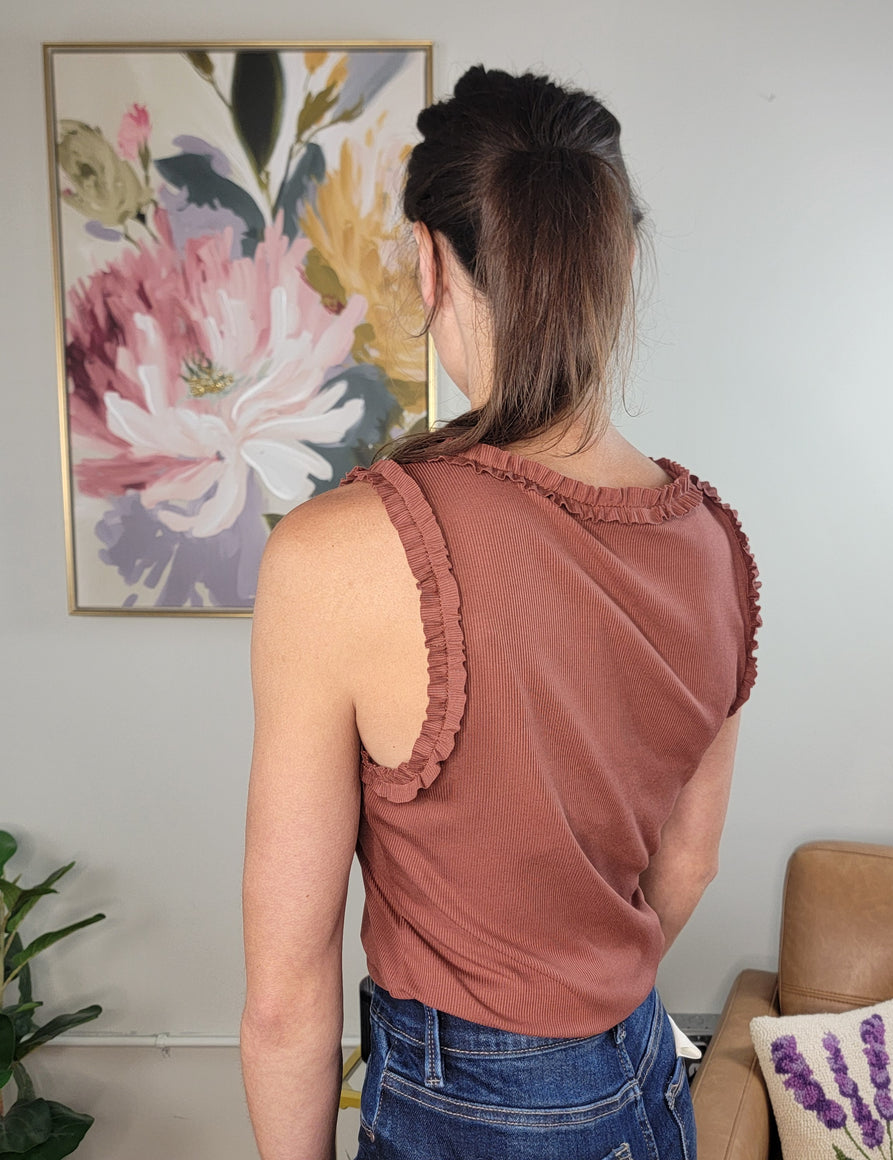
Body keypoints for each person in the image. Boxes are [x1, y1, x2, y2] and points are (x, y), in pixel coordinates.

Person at [241, 65, 760, 1160]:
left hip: (463, 1106)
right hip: (646, 1077)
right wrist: (584, 998)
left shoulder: (336, 551)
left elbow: (288, 990)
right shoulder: (712, 540)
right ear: (619, 256)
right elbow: (687, 865)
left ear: (429, 259)